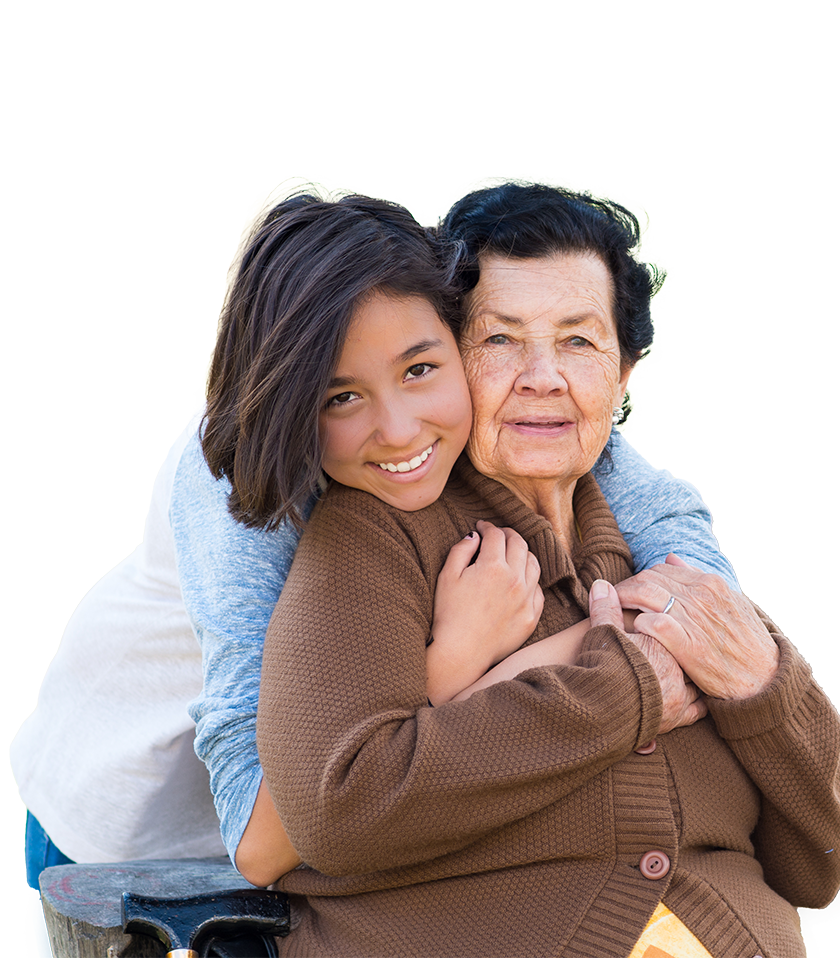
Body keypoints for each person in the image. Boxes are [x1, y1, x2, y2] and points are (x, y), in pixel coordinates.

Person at [10, 186, 740, 958]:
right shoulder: (244, 482)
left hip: (341, 842)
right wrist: (468, 659)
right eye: (342, 396)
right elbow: (263, 825)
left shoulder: (531, 425)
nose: (398, 429)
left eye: (421, 368)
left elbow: (701, 597)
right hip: (140, 833)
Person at [255, 181, 840, 958]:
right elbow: (337, 811)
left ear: (624, 376)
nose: (543, 376)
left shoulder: (662, 561)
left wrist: (762, 690)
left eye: (579, 341)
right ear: (445, 357)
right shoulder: (378, 533)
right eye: (501, 340)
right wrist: (622, 688)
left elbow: (822, 861)